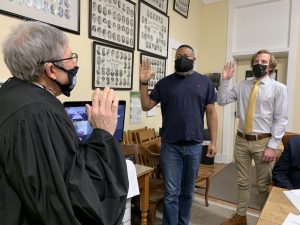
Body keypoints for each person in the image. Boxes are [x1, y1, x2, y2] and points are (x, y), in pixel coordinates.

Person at [0, 21, 128, 225]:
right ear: (51, 70)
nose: (74, 65)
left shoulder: (9, 95)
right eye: (70, 58)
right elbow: (77, 200)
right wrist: (103, 133)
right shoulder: (40, 115)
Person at [139, 44, 218, 225]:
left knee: (187, 192)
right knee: (171, 193)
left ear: (193, 60)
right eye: (178, 56)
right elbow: (146, 105)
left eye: (186, 56)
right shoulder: (164, 83)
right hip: (170, 147)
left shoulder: (204, 82)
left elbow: (212, 113)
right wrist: (144, 83)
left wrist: (213, 141)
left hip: (194, 145)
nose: (182, 58)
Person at [218, 49, 288, 225]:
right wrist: (225, 80)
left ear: (271, 66)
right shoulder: (242, 85)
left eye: (264, 62)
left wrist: (273, 146)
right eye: (257, 61)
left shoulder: (279, 89)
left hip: (263, 142)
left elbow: (281, 120)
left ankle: (266, 220)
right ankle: (240, 217)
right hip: (241, 140)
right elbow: (222, 100)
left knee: (263, 186)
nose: (259, 64)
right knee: (242, 182)